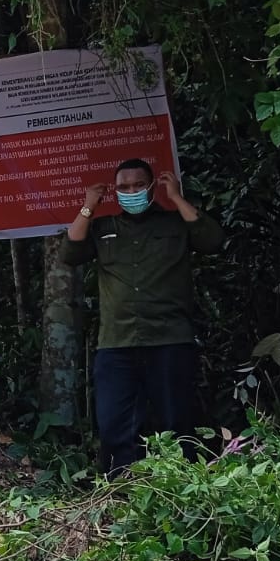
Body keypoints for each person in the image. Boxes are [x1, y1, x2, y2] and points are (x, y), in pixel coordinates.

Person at [61, 158, 224, 474]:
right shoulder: (104, 227)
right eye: (124, 187)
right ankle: (122, 486)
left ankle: (182, 484)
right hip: (117, 342)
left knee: (177, 420)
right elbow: (70, 253)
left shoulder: (175, 224)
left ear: (151, 187)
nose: (131, 192)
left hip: (169, 338)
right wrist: (88, 205)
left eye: (138, 185)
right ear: (115, 191)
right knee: (114, 423)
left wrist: (175, 197)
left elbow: (212, 241)